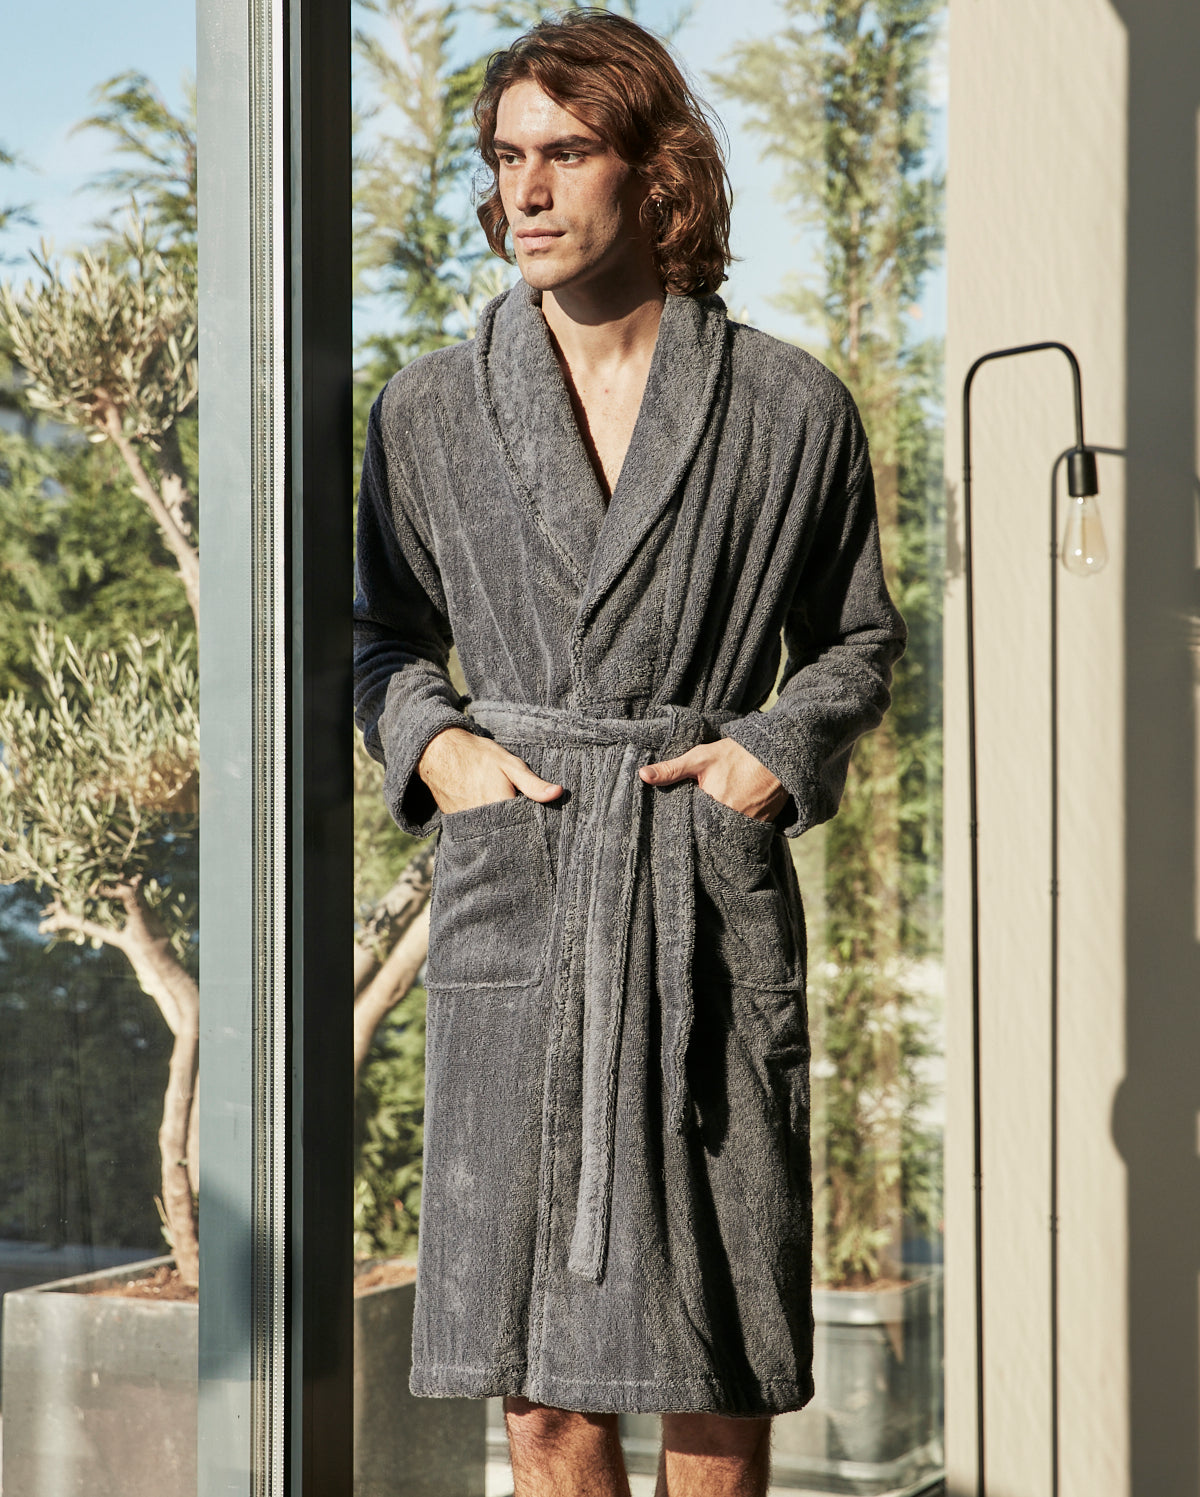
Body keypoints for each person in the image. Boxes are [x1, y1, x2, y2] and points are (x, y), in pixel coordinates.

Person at [352, 10, 907, 1494]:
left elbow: (857, 640)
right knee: (539, 1394)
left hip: (695, 889)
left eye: (567, 153)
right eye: (504, 158)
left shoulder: (789, 406)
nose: (526, 191)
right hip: (522, 880)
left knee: (716, 1375)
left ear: (657, 170)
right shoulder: (427, 412)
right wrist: (442, 751)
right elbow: (377, 637)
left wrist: (765, 756)